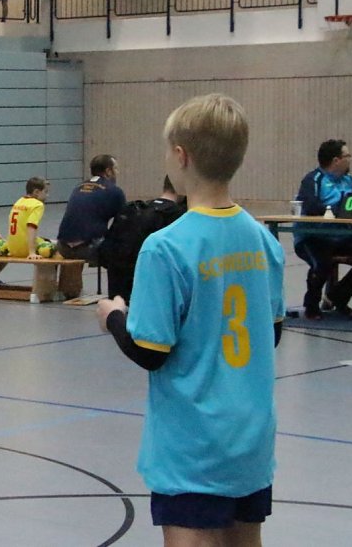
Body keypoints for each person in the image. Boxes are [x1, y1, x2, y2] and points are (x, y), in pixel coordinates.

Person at [96, 93, 284, 547]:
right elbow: (270, 332)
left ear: (181, 157)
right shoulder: (263, 239)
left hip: (193, 445)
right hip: (251, 439)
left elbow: (150, 350)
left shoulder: (166, 246)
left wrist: (114, 317)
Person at [294, 139, 352, 320]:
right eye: (347, 156)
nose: (350, 159)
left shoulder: (349, 180)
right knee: (322, 263)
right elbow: (311, 205)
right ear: (336, 160)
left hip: (342, 237)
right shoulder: (313, 179)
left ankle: (338, 297)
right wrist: (337, 210)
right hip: (314, 237)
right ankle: (311, 305)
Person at [98, 175, 185, 303]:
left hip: (118, 297)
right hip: (151, 299)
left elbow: (105, 254)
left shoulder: (131, 209)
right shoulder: (178, 217)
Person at [57, 154, 126, 298]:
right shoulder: (115, 191)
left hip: (62, 246)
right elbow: (122, 224)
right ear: (108, 171)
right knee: (123, 250)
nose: (117, 173)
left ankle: (69, 289)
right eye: (116, 169)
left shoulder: (78, 187)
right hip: (89, 250)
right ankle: (119, 295)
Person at [5, 176, 50, 259]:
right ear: (36, 192)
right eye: (46, 192)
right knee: (52, 248)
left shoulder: (19, 201)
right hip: (24, 249)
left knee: (42, 239)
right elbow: (31, 227)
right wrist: (32, 252)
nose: (47, 195)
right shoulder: (37, 205)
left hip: (11, 248)